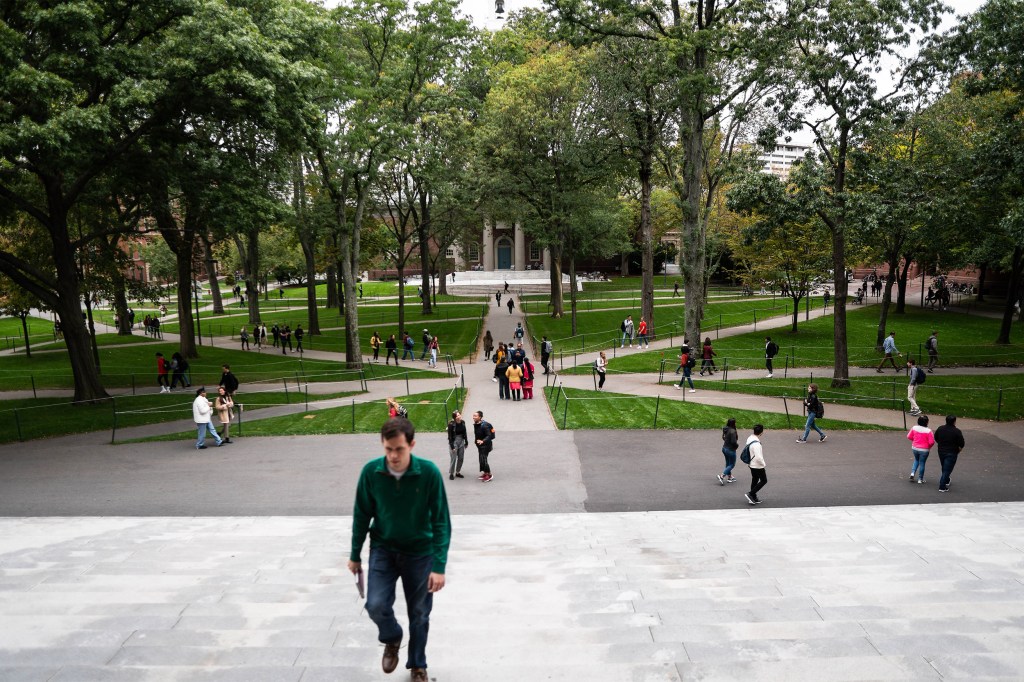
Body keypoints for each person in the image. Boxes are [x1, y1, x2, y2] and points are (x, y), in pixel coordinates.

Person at [347, 418, 451, 682]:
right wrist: (354, 554)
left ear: (411, 445)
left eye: (399, 449)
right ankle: (392, 637)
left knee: (419, 613)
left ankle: (418, 665)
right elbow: (361, 514)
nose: (393, 456)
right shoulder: (371, 472)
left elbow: (441, 521)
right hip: (384, 548)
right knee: (375, 605)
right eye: (388, 449)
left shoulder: (428, 473)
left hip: (420, 552)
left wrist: (439, 567)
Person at [934, 415, 965, 493]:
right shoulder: (957, 431)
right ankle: (942, 486)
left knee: (944, 466)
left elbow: (936, 437)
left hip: (941, 450)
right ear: (954, 421)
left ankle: (947, 480)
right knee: (947, 469)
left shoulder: (940, 428)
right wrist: (959, 448)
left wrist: (940, 443)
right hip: (952, 452)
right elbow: (961, 443)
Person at [907, 414, 935, 484]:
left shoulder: (914, 428)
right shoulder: (928, 431)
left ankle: (912, 473)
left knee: (916, 460)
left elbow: (909, 436)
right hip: (924, 450)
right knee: (922, 463)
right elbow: (931, 442)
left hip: (915, 448)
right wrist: (928, 447)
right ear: (927, 422)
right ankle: (920, 479)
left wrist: (915, 440)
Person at [744, 424, 766, 505]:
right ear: (761, 432)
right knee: (764, 480)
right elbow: (759, 457)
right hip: (757, 465)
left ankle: (754, 496)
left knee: (755, 479)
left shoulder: (750, 438)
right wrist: (763, 464)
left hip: (751, 463)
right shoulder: (756, 444)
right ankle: (750, 494)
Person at [472, 411, 495, 482]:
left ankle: (489, 475)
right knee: (482, 459)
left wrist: (483, 441)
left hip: (485, 446)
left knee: (483, 460)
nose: (473, 417)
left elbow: (489, 435)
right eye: (473, 416)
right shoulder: (477, 424)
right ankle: (485, 473)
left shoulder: (484, 426)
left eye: (475, 416)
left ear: (480, 417)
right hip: (480, 445)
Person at [446, 411, 467, 480]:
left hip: (461, 440)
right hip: (454, 441)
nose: (459, 416)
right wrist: (452, 446)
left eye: (459, 415)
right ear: (455, 418)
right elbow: (450, 436)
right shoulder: (451, 424)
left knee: (461, 458)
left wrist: (466, 442)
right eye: (457, 415)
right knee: (454, 458)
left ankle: (457, 472)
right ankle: (451, 473)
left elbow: (465, 432)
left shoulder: (463, 422)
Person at [718, 418, 739, 485]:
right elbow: (733, 442)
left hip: (724, 448)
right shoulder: (732, 431)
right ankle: (722, 476)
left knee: (728, 463)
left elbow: (724, 437)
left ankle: (730, 477)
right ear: (733, 423)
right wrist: (736, 446)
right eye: (735, 423)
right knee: (732, 464)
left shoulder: (726, 429)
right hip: (730, 450)